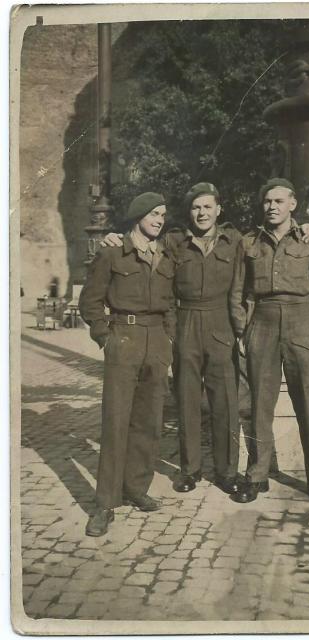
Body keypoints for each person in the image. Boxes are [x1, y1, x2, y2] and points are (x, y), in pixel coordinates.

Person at [101, 183, 309, 496]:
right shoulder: (174, 240)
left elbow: (275, 239)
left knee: (225, 404)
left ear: (219, 210)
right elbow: (140, 241)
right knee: (188, 401)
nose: (201, 213)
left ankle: (226, 471)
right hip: (186, 325)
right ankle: (190, 470)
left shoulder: (236, 240)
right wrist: (113, 236)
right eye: (195, 207)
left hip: (221, 326)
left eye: (207, 207)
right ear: (189, 212)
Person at [230, 178, 309, 505]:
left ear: (293, 205)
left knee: (307, 406)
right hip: (261, 323)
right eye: (267, 201)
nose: (272, 206)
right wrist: (241, 331)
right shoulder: (249, 242)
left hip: (301, 322)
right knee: (258, 407)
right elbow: (237, 291)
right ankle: (256, 476)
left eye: (279, 201)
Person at [79, 192, 176, 536]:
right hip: (124, 336)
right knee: (116, 422)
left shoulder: (165, 253)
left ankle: (136, 487)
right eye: (154, 214)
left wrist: (169, 339)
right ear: (138, 215)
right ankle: (104, 504)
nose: (160, 219)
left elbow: (171, 303)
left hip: (156, 342)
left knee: (149, 422)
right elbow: (90, 302)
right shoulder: (112, 251)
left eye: (163, 215)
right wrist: (106, 337)